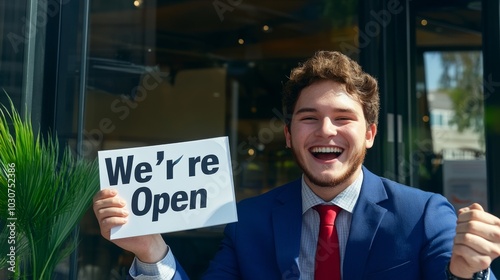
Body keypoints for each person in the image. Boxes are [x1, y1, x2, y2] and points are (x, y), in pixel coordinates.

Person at [93, 51, 500, 279]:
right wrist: (150, 252)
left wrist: (469, 273)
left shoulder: (424, 214)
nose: (325, 131)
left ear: (370, 134)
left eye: (343, 118)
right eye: (308, 118)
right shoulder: (249, 221)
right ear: (289, 136)